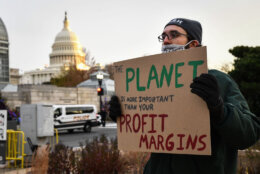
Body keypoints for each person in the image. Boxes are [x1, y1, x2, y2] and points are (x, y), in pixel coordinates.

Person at [109, 18, 260, 174]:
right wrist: (123, 113)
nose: (166, 41)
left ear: (193, 45)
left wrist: (220, 110)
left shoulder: (218, 81)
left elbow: (249, 134)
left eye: (174, 34)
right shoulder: (154, 84)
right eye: (163, 36)